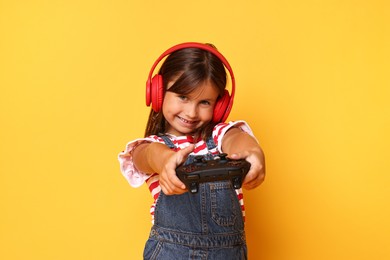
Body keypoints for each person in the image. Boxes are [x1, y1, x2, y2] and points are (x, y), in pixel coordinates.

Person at [118, 42, 265, 259]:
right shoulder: (153, 145)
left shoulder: (218, 136)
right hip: (170, 252)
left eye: (204, 102)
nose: (191, 112)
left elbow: (236, 139)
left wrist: (253, 153)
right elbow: (145, 156)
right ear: (157, 92)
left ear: (220, 105)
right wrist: (165, 160)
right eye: (183, 97)